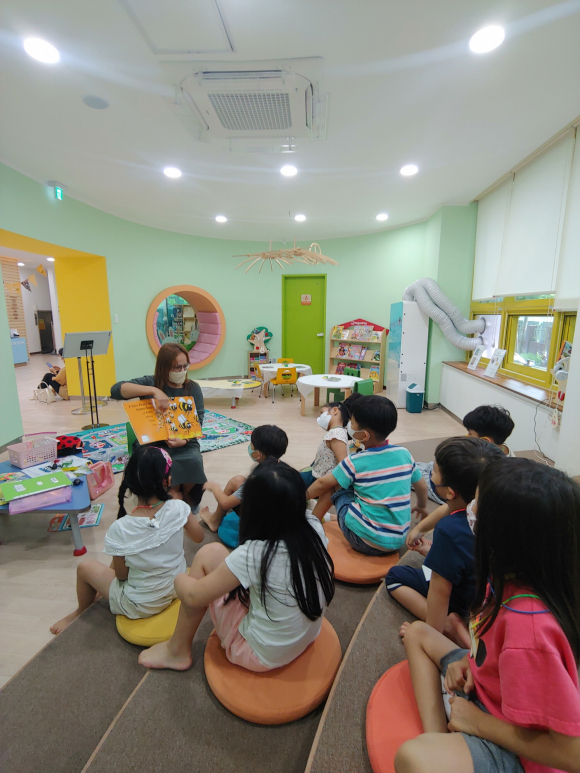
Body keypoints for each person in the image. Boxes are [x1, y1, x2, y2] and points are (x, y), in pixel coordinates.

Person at [395, 459, 580, 773]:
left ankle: (446, 743)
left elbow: (572, 755)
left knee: (411, 758)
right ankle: (441, 738)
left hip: (517, 746)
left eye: (478, 505)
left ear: (506, 533)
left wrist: (478, 723)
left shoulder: (529, 630)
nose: (470, 510)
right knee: (417, 633)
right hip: (488, 692)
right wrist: (470, 662)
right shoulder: (507, 576)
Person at [138, 460, 335, 672]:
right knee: (215, 555)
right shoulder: (313, 525)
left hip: (258, 654)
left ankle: (176, 651)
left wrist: (178, 580)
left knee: (206, 555)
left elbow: (194, 596)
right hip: (306, 636)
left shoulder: (256, 553)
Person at [50, 446, 204, 635]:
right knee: (123, 554)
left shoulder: (121, 528)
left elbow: (122, 576)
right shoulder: (179, 508)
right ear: (168, 480)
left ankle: (81, 611)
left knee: (85, 567)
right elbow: (199, 537)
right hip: (177, 587)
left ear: (129, 483)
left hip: (141, 605)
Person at [386, 437, 505, 647]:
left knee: (394, 576)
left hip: (464, 600)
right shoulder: (497, 512)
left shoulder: (449, 529)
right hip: (490, 595)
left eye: (434, 470)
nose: (431, 473)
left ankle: (450, 627)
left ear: (450, 492)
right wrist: (427, 541)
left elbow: (441, 592)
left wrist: (430, 636)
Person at [307, 395, 429, 555]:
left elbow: (322, 484)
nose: (349, 425)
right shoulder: (404, 453)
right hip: (398, 540)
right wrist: (421, 506)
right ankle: (328, 518)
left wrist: (301, 497)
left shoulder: (355, 461)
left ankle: (311, 525)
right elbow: (422, 487)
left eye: (352, 423)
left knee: (335, 483)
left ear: (364, 435)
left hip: (362, 541)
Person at [111, 343, 206, 510]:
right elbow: (116, 390)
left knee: (193, 460)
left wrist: (184, 441)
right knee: (159, 469)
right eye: (176, 367)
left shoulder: (192, 387)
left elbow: (198, 420)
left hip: (184, 441)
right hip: (153, 444)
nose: (182, 371)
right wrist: (154, 391)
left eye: (185, 366)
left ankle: (187, 499)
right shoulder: (150, 382)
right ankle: (168, 497)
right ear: (164, 367)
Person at [199, 424, 288, 548]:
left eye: (252, 445)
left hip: (263, 528)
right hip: (280, 520)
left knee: (235, 490)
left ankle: (214, 521)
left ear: (258, 454)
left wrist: (215, 488)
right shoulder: (283, 469)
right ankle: (215, 519)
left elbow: (225, 503)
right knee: (237, 480)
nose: (250, 447)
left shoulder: (257, 479)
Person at [417, 404, 516, 504]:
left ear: (485, 441)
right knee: (432, 466)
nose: (466, 436)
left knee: (415, 474)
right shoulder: (504, 449)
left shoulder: (484, 466)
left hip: (458, 492)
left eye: (470, 434)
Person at [300, 402, 350, 520]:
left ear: (335, 411)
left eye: (322, 413)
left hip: (322, 481)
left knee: (287, 486)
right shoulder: (337, 432)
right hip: (324, 481)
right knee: (316, 516)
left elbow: (343, 465)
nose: (319, 418)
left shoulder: (336, 434)